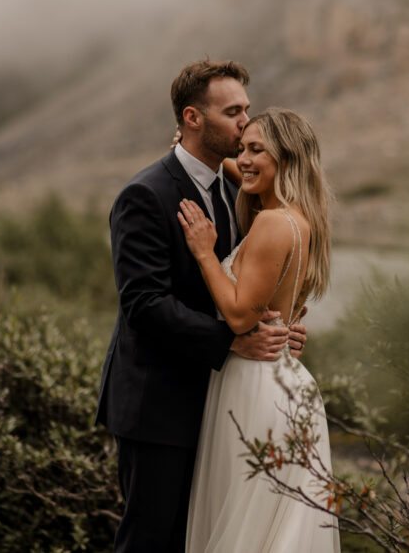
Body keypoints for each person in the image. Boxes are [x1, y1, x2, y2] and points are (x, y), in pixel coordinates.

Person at [96, 59, 309, 552]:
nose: (245, 123)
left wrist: (282, 323)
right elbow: (144, 305)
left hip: (224, 401)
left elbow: (258, 274)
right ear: (193, 119)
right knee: (152, 540)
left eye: (246, 110)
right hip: (159, 404)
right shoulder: (144, 195)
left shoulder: (239, 186)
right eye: (233, 112)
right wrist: (235, 340)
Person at [178, 108, 340, 552]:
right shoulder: (301, 217)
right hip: (286, 383)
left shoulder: (271, 223)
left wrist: (205, 252)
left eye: (256, 151)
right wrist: (193, 141)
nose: (244, 160)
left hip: (255, 385)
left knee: (246, 534)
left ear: (286, 160)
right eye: (241, 149)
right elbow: (244, 168)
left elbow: (239, 317)